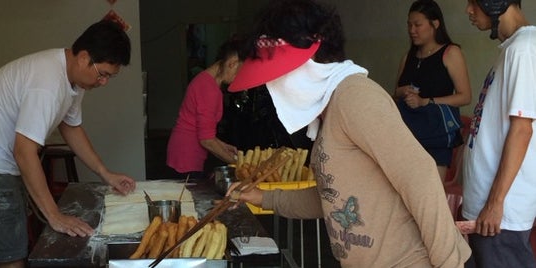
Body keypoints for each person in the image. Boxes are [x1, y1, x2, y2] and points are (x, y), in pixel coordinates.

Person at [226, 0, 471, 266]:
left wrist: (449, 263)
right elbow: (334, 197)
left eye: (276, 77)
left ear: (305, 66)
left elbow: (419, 175)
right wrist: (264, 197)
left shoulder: (354, 97)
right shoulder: (328, 111)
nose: (273, 88)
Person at [0, 20, 136, 268]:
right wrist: (54, 216)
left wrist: (105, 173)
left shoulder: (73, 80)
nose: (103, 83)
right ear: (83, 57)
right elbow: (24, 152)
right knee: (8, 256)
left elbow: (71, 127)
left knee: (0, 247)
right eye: (103, 75)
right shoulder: (47, 82)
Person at [462, 0, 536, 267]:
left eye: (473, 2)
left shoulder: (524, 48)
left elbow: (522, 130)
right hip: (488, 213)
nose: (469, 10)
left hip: (500, 217)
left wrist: (495, 203)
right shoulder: (511, 49)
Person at [394, 0, 472, 182]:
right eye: (409, 25)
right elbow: (395, 92)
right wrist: (404, 91)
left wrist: (426, 101)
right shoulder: (408, 57)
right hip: (407, 134)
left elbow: (465, 96)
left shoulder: (450, 52)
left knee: (431, 196)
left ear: (435, 24)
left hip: (436, 134)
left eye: (418, 25)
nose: (412, 30)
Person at [166, 37, 243, 180]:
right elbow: (206, 139)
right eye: (240, 73)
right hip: (186, 155)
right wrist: (240, 164)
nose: (238, 78)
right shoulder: (209, 89)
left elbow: (205, 130)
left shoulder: (205, 80)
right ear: (232, 64)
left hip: (183, 151)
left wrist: (223, 146)